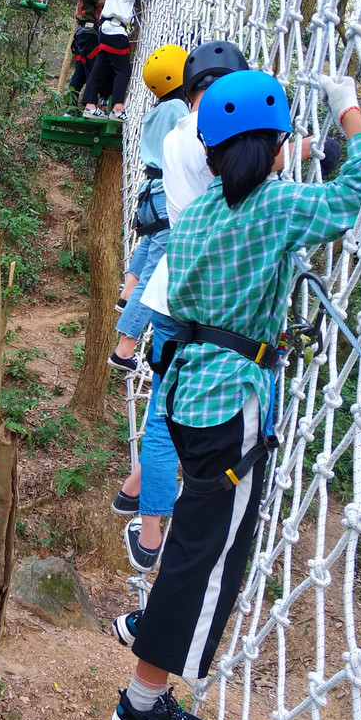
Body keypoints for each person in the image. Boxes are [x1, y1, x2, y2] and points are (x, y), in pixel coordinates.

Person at [109, 70, 361, 720]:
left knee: (198, 532)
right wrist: (350, 111)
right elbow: (351, 196)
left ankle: (147, 627)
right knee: (212, 555)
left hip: (189, 393)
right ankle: (143, 701)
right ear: (274, 148)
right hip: (235, 408)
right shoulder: (279, 208)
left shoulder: (195, 215)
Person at [110, 41, 248, 575]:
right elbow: (249, 177)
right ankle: (150, 536)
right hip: (214, 294)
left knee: (166, 403)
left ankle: (134, 488)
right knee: (170, 417)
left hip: (172, 288)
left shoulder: (171, 134)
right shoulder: (220, 131)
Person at [107, 44, 188, 375]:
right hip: (165, 194)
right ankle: (124, 350)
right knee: (156, 277)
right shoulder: (179, 109)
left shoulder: (155, 111)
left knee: (146, 251)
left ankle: (125, 296)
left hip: (147, 193)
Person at [82, 0, 155, 122]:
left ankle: (90, 105)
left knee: (99, 69)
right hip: (115, 30)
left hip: (107, 29)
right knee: (123, 70)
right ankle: (118, 108)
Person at [66, 0, 117, 107]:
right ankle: (91, 103)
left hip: (84, 35)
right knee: (94, 69)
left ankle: (71, 105)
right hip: (88, 34)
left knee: (81, 72)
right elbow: (101, 0)